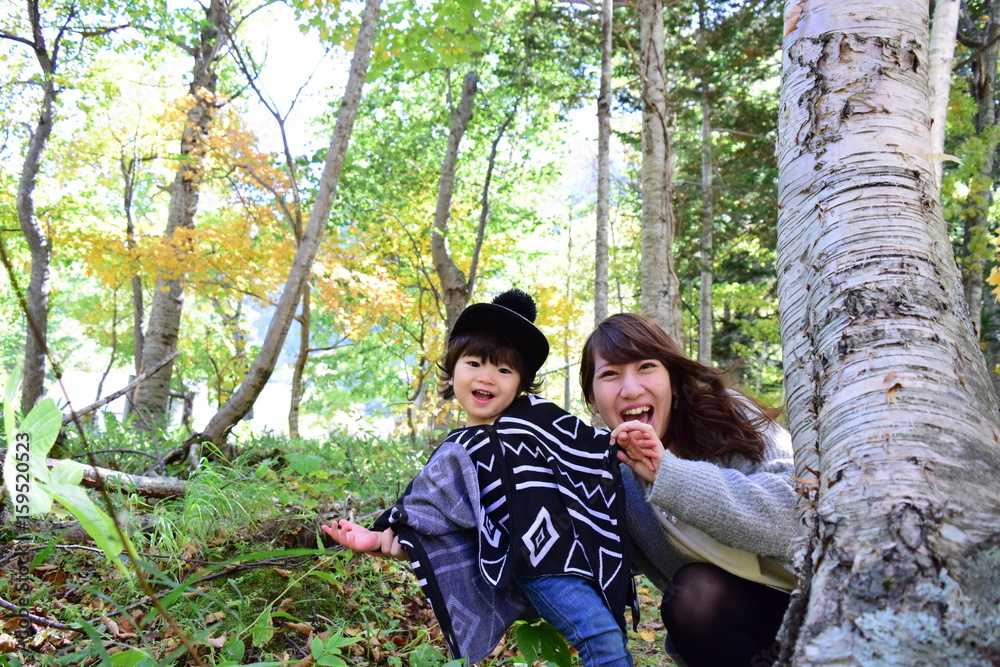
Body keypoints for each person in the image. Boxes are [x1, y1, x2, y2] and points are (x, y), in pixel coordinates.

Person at [323, 290, 637, 666]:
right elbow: (430, 517)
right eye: (474, 363)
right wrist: (377, 538)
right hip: (538, 567)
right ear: (453, 369)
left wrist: (629, 445)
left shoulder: (539, 418)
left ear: (521, 382)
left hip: (580, 554)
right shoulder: (459, 451)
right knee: (598, 638)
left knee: (609, 635)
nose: (487, 377)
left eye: (504, 370)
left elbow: (589, 448)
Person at [579, 313, 800, 667]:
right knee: (694, 594)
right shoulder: (610, 476)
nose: (631, 389)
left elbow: (797, 516)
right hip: (733, 632)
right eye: (610, 374)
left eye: (646, 366)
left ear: (673, 379)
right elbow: (580, 564)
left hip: (818, 605)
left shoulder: (728, 415)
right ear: (592, 399)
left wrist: (668, 474)